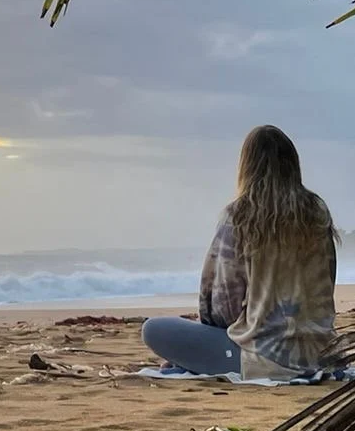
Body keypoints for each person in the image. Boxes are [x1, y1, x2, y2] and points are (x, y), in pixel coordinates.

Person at [141, 125, 344, 382]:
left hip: (263, 358)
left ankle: (206, 361)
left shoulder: (239, 215)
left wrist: (207, 341)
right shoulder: (318, 211)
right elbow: (328, 281)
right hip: (321, 353)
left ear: (247, 166)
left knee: (153, 329)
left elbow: (221, 300)